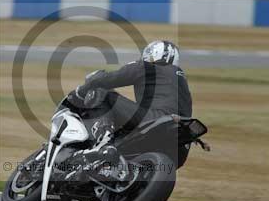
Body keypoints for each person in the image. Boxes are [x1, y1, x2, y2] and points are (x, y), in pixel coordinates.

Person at [71, 40, 193, 172]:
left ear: (153, 54)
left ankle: (103, 141)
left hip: (155, 121)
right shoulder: (182, 81)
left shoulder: (147, 67)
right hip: (179, 149)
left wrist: (85, 86)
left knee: (102, 93)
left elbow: (111, 79)